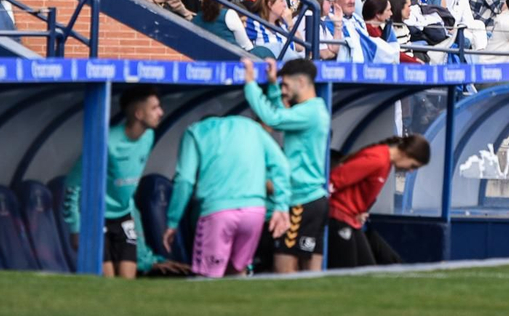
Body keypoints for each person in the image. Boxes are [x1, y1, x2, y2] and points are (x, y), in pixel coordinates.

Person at [62, 86, 177, 278]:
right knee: (107, 282)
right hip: (96, 218)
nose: (161, 112)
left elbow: (128, 189)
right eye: (155, 108)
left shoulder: (148, 137)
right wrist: (76, 228)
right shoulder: (106, 142)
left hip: (123, 217)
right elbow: (73, 185)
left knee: (127, 282)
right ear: (139, 114)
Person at [163, 113, 292, 278]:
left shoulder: (195, 132)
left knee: (208, 278)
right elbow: (281, 164)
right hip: (254, 212)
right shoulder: (252, 127)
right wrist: (282, 206)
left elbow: (185, 180)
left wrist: (172, 222)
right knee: (239, 274)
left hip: (217, 213)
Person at [242, 56, 332, 272]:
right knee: (311, 269)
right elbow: (282, 116)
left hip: (301, 200)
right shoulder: (314, 109)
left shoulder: (309, 112)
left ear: (301, 82)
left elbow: (273, 119)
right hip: (314, 200)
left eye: (286, 85)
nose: (284, 91)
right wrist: (273, 85)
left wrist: (250, 84)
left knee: (284, 268)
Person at [326, 134, 431, 268]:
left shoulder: (385, 162)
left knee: (368, 267)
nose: (410, 171)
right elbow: (336, 179)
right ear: (406, 153)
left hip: (351, 218)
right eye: (413, 166)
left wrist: (358, 211)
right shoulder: (378, 159)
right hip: (339, 217)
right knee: (347, 269)